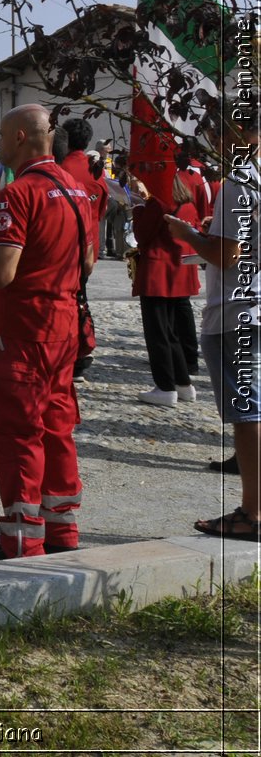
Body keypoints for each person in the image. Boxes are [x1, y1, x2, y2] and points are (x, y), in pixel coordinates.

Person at [0, 104, 94, 564]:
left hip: (22, 328)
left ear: (19, 137)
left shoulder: (18, 194)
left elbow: (0, 273)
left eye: (0, 134)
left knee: (17, 429)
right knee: (57, 425)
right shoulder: (77, 188)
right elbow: (90, 261)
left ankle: (20, 539)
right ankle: (62, 528)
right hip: (64, 325)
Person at [165, 112, 261, 540]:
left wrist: (187, 234)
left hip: (237, 309)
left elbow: (225, 255)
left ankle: (252, 513)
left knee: (249, 414)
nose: (210, 144)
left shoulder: (241, 179)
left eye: (211, 134)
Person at [127, 168, 205, 406]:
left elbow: (141, 234)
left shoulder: (155, 204)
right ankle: (183, 384)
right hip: (178, 271)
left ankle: (165, 387)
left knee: (158, 333)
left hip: (158, 273)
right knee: (172, 333)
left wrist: (138, 205)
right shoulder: (186, 201)